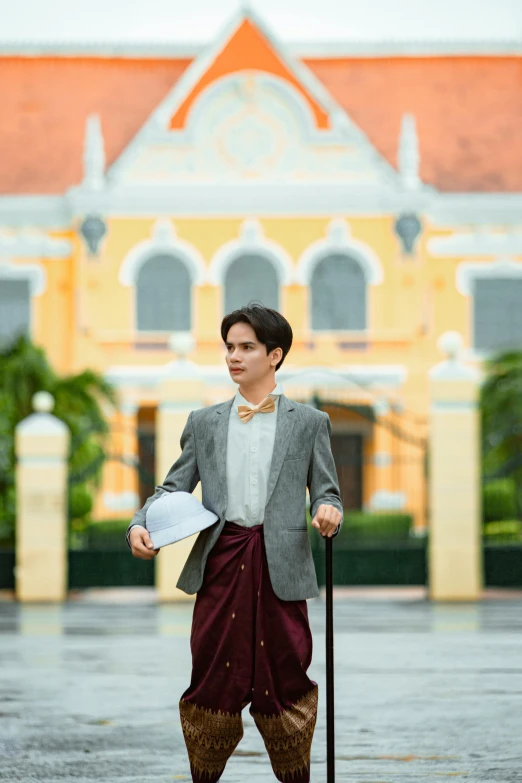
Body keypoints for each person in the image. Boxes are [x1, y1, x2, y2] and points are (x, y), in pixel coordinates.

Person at [126, 303, 343, 783]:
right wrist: (140, 524)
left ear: (275, 354)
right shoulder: (204, 422)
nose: (234, 356)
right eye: (229, 347)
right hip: (221, 562)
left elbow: (327, 491)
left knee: (286, 678)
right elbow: (171, 488)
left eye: (247, 347)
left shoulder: (310, 423)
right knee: (211, 677)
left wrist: (329, 510)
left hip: (281, 566)